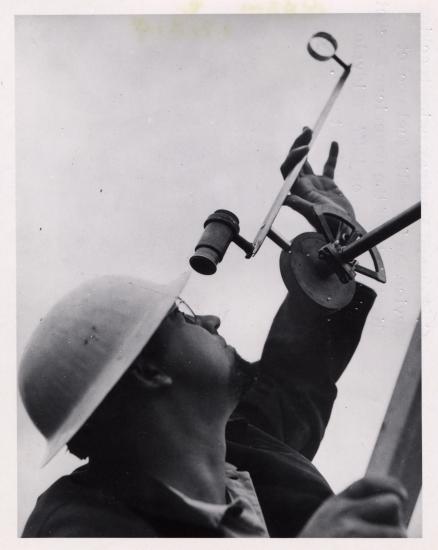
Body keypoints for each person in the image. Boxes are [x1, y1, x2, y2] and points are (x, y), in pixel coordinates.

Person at [19, 129, 408, 537]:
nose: (211, 321)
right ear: (150, 372)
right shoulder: (77, 526)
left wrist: (340, 239)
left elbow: (298, 375)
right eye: (182, 317)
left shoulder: (248, 450)